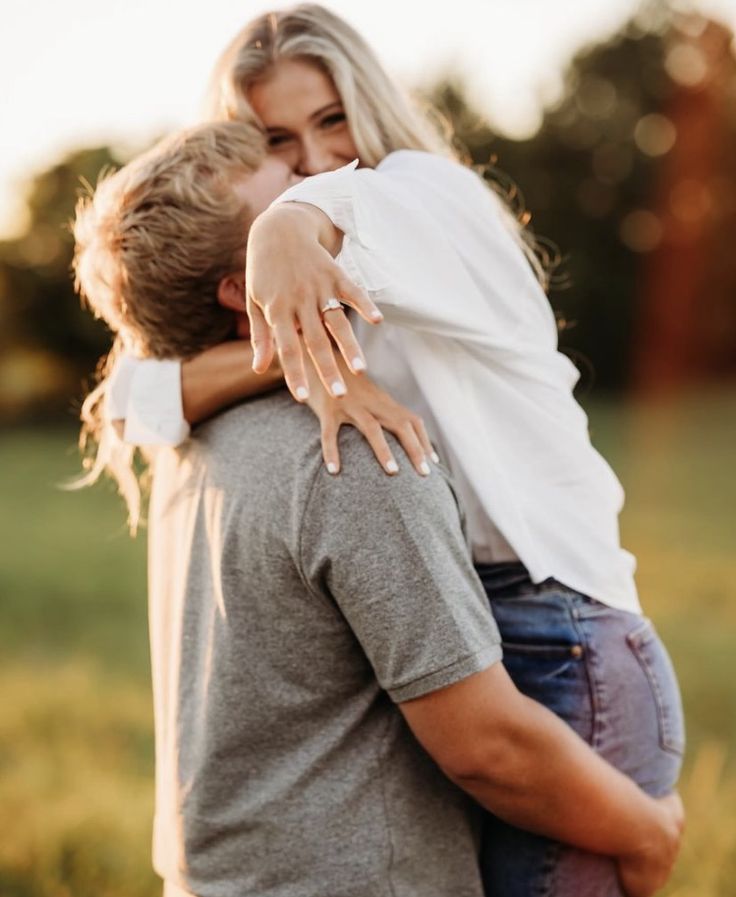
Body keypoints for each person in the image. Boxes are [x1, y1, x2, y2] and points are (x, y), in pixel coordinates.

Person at [78, 6, 688, 897]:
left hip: (555, 627)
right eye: (279, 140)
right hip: (463, 624)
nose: (317, 158)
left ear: (368, 101)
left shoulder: (425, 198)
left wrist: (278, 229)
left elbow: (334, 212)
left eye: (332, 119)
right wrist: (278, 344)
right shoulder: (288, 281)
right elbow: (133, 396)